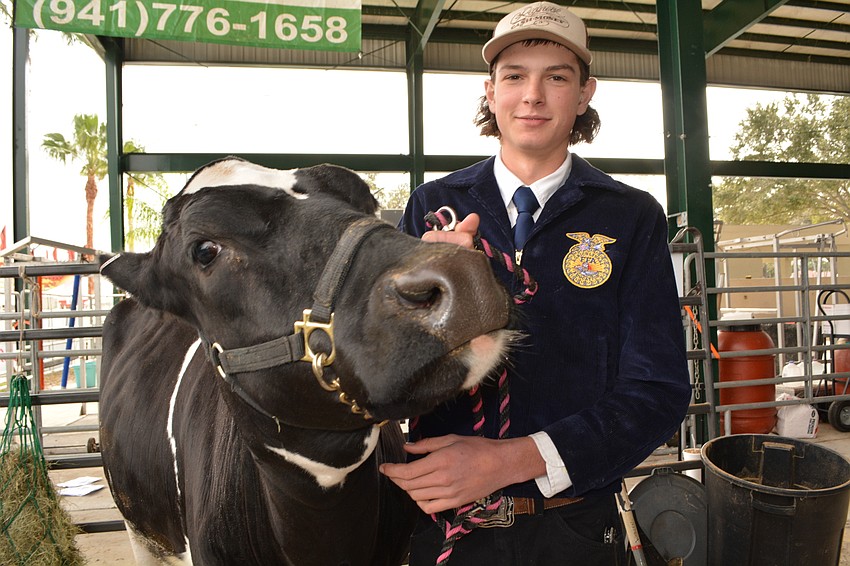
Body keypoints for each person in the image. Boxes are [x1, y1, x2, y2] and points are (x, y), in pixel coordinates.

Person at [380, 2, 692, 565]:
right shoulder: (433, 207)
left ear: (585, 93)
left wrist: (513, 459)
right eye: (515, 76)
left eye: (557, 77)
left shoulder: (630, 216)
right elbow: (385, 373)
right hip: (444, 528)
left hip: (571, 526)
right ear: (490, 89)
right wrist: (426, 304)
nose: (533, 96)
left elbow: (657, 392)